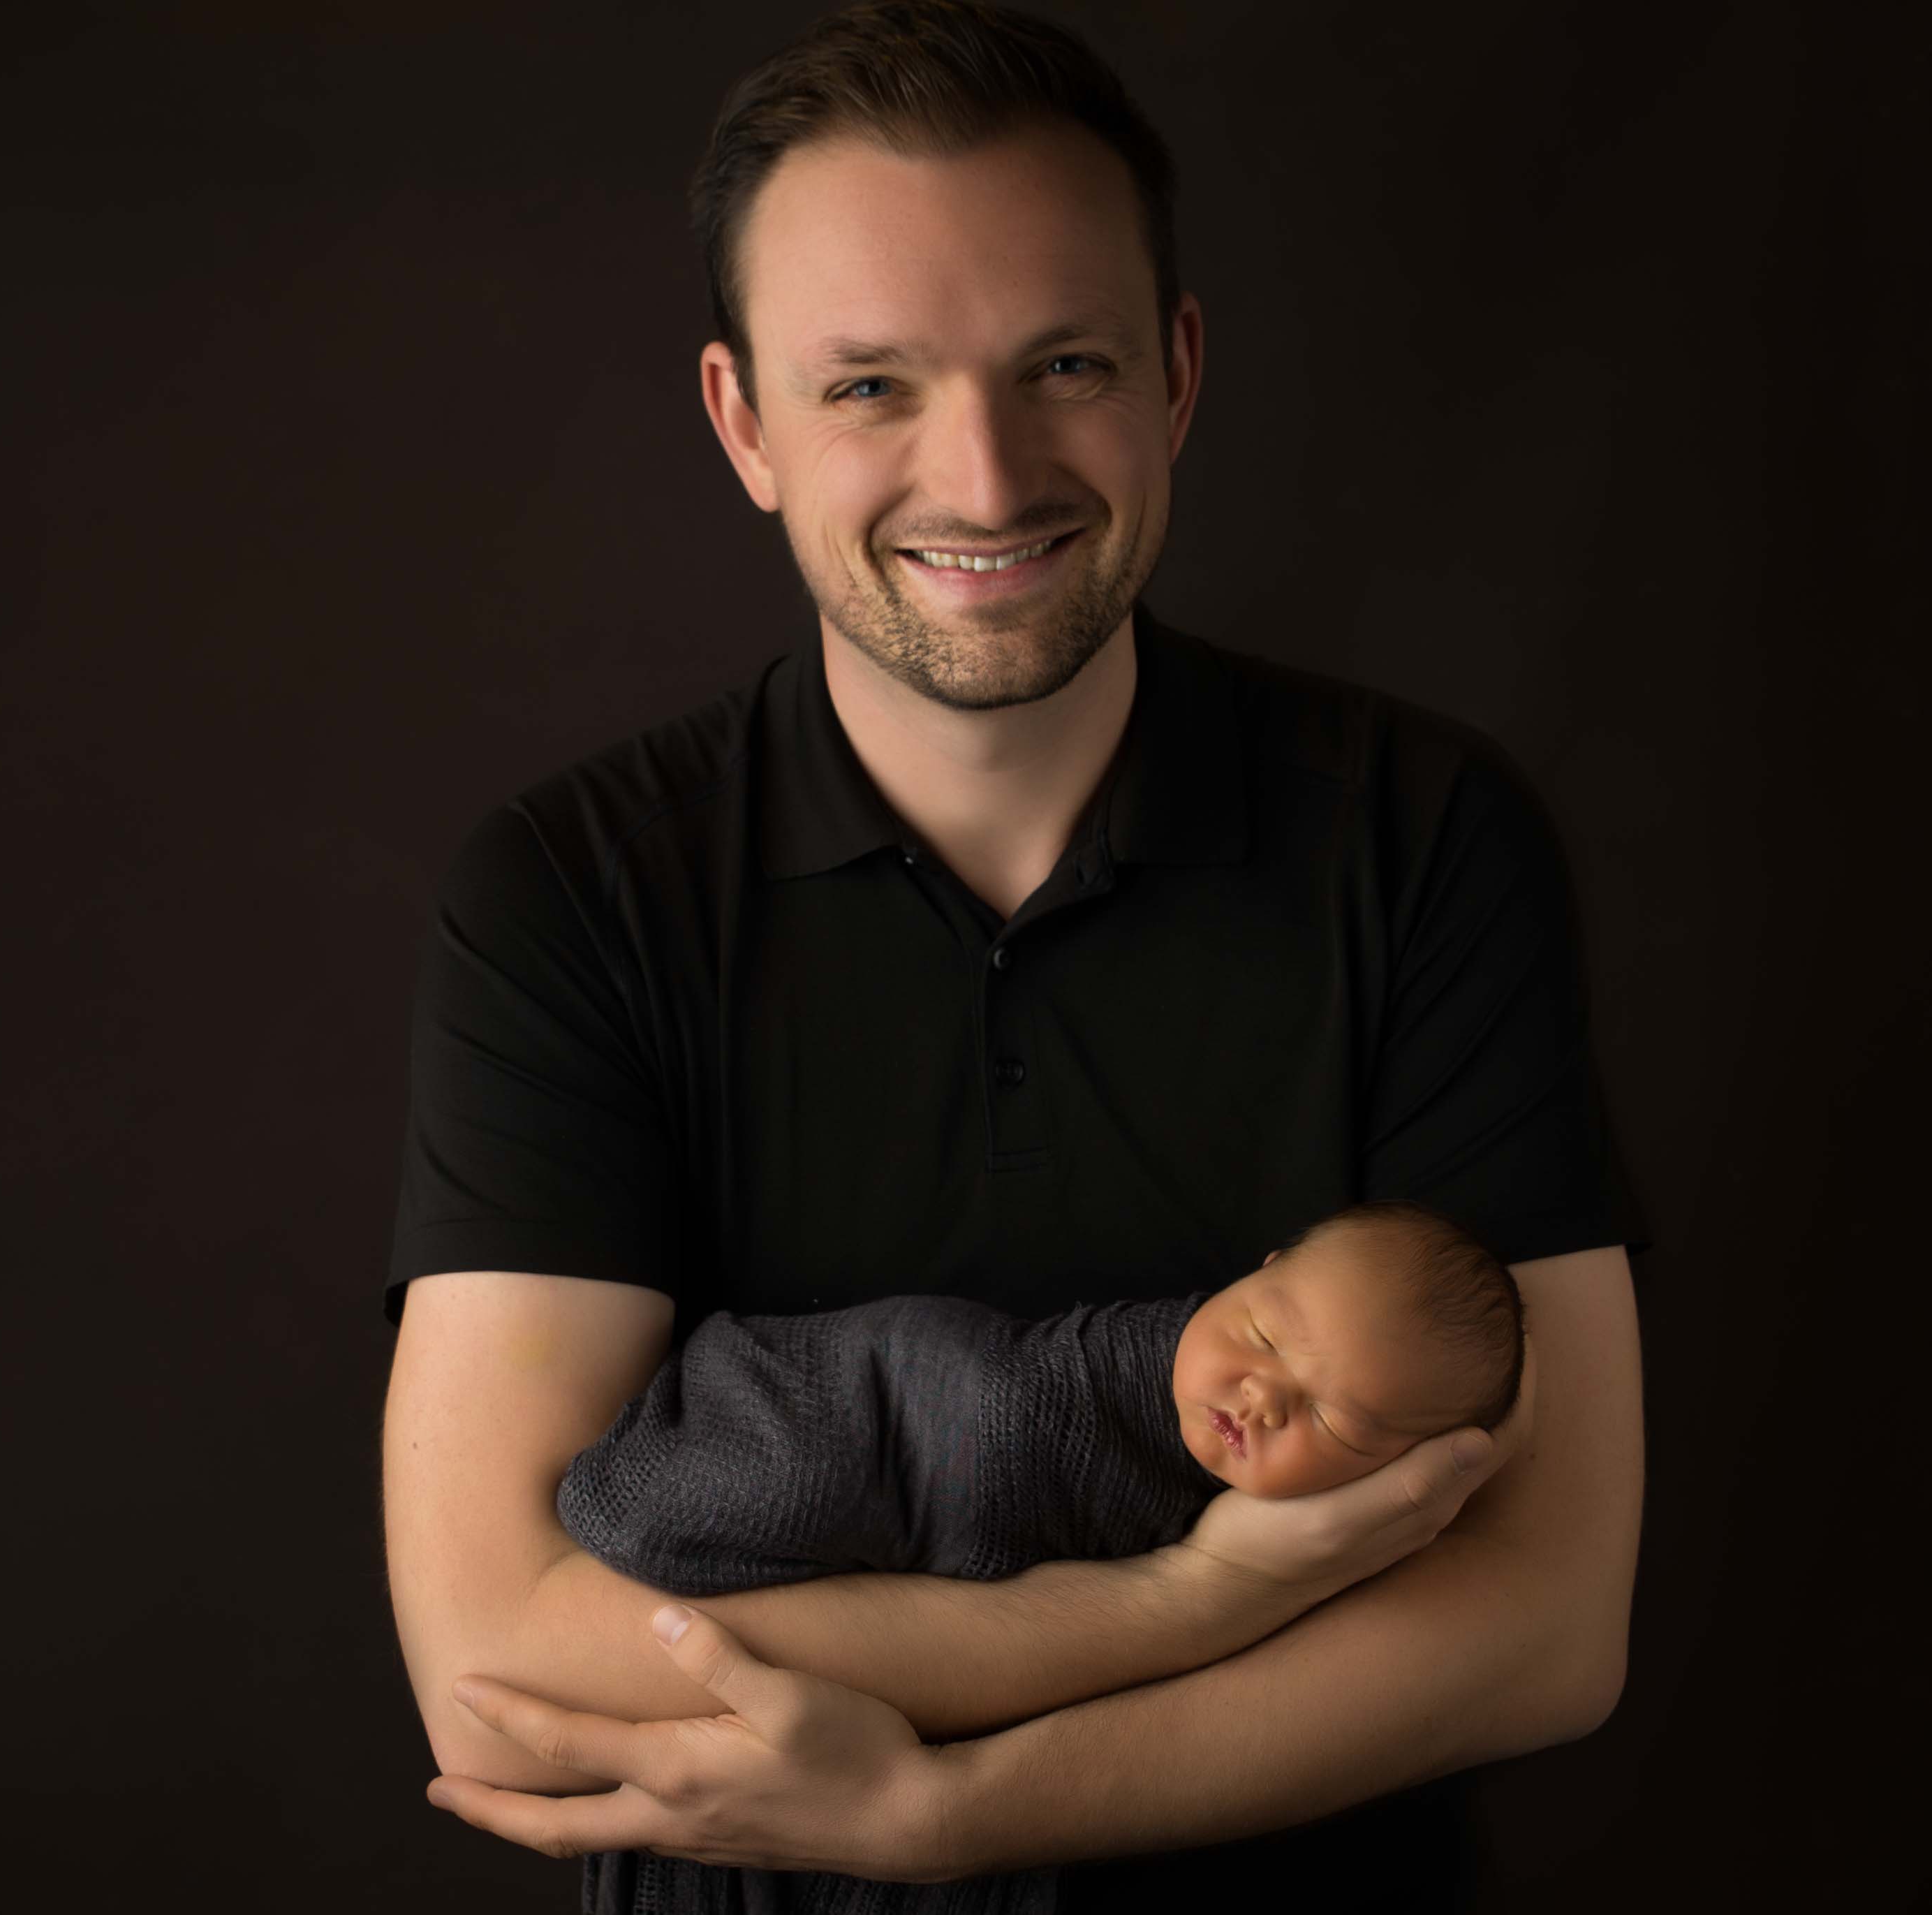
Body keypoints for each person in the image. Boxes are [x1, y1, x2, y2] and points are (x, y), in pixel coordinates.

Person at [378, 2, 1644, 1908]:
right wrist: (1182, 1599)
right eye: (868, 384)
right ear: (742, 426)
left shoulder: (1424, 837)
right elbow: (497, 1655)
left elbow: (1543, 1617)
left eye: (1061, 362)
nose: (983, 478)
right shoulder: (570, 887)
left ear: (1178, 374)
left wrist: (945, 1811)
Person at [556, 1201, 1526, 1610]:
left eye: (1335, 1423)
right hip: (926, 1391)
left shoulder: (1309, 1548)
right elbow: (993, 1405)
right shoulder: (1095, 1374)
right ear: (1257, 1272)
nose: (1262, 1395)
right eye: (1265, 1335)